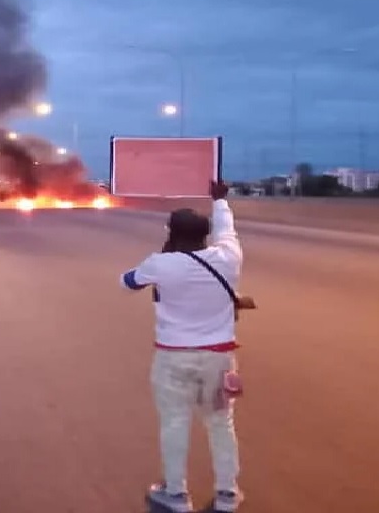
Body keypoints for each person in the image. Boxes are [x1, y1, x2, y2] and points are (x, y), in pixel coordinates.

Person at [120, 180, 251, 513]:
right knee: (221, 424)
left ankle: (176, 495)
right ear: (204, 233)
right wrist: (220, 201)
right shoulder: (227, 258)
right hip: (219, 358)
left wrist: (162, 259)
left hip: (174, 358)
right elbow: (228, 231)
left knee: (175, 423)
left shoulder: (160, 265)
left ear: (170, 232)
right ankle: (227, 495)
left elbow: (128, 282)